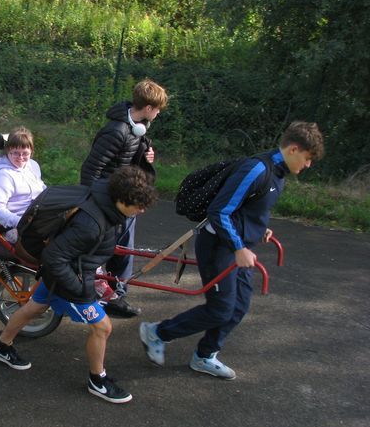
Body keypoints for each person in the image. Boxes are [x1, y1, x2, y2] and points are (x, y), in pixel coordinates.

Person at [139, 121, 325, 380]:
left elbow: (250, 208)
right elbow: (219, 210)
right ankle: (157, 332)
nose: (308, 166)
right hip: (219, 246)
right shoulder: (257, 169)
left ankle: (205, 355)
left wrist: (259, 230)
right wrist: (238, 246)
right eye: (307, 159)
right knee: (220, 309)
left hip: (238, 247)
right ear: (294, 149)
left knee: (238, 307)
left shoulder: (278, 174)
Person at [0, 166, 156, 404]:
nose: (141, 210)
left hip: (68, 273)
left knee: (33, 307)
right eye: (138, 205)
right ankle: (98, 380)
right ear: (121, 199)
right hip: (68, 281)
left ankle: (1, 346)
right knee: (103, 327)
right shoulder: (91, 222)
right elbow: (54, 258)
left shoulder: (102, 200)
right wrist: (79, 291)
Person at [80, 78, 168, 317]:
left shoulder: (136, 130)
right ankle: (99, 293)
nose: (158, 113)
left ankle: (117, 293)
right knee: (105, 249)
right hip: (109, 201)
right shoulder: (116, 131)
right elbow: (91, 170)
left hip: (124, 199)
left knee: (122, 250)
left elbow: (125, 161)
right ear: (148, 108)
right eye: (158, 109)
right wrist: (93, 205)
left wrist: (144, 156)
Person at [0, 126, 46, 243]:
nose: (21, 158)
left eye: (25, 153)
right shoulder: (2, 175)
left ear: (31, 152)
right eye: (15, 153)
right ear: (8, 151)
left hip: (39, 217)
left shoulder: (33, 166)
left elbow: (43, 190)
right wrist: (21, 221)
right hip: (16, 226)